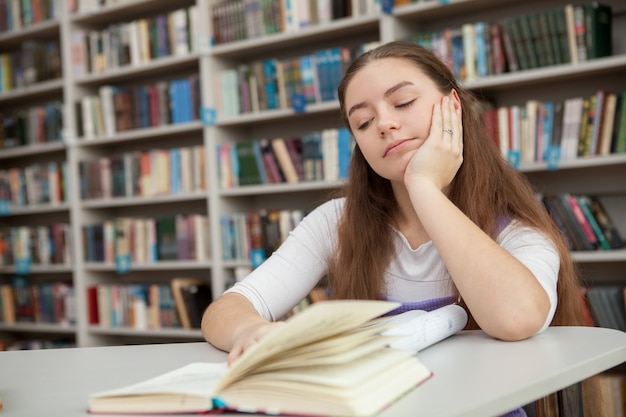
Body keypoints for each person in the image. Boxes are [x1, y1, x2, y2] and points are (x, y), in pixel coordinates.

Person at [201, 40, 592, 414]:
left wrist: (424, 187)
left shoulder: (515, 229)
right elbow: (227, 309)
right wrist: (247, 332)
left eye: (403, 102)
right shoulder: (336, 221)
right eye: (364, 122)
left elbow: (518, 318)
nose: (384, 124)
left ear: (452, 107)